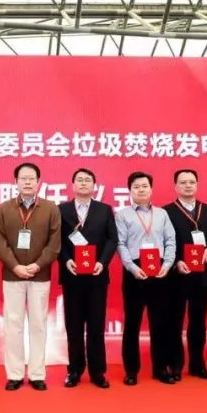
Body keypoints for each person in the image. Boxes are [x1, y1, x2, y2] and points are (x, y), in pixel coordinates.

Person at [0, 162, 61, 392]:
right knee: (13, 325)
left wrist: (37, 265)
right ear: (16, 182)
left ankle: (37, 374)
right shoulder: (4, 209)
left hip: (40, 275)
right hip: (12, 275)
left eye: (32, 178)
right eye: (23, 178)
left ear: (38, 182)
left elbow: (54, 244)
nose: (28, 182)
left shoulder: (50, 208)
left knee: (38, 324)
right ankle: (14, 374)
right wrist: (15, 266)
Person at [58, 167, 117, 389]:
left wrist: (102, 262)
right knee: (73, 327)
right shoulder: (61, 209)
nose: (83, 183)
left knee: (96, 326)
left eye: (88, 180)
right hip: (72, 275)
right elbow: (57, 241)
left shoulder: (104, 209)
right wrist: (66, 260)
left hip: (96, 276)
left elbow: (112, 239)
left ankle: (98, 372)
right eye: (80, 180)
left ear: (94, 186)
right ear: (73, 185)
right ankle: (74, 371)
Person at [116, 171, 176, 385]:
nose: (141, 190)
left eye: (145, 186)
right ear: (130, 191)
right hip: (135, 271)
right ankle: (131, 370)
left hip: (160, 271)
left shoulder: (161, 214)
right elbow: (120, 244)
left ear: (151, 189)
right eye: (136, 187)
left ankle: (160, 368)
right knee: (132, 323)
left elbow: (170, 241)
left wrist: (167, 265)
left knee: (160, 322)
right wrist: (132, 267)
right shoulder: (122, 215)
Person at [163, 168, 207, 381]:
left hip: (203, 274)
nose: (188, 186)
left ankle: (198, 365)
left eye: (191, 182)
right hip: (177, 274)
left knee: (198, 321)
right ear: (175, 186)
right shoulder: (166, 212)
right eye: (183, 182)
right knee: (174, 321)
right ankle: (176, 365)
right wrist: (176, 261)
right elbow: (163, 242)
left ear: (197, 185)